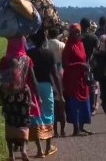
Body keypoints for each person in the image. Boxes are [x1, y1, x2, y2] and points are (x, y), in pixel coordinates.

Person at [0, 37, 39, 161]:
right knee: (24, 122)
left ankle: (11, 155)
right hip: (23, 97)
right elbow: (33, 81)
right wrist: (38, 98)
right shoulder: (27, 59)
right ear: (22, 44)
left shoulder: (5, 60)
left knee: (9, 123)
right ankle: (23, 150)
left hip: (8, 97)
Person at [27, 29, 64, 158]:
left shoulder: (28, 53)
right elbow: (55, 74)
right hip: (47, 86)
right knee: (48, 114)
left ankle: (39, 150)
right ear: (44, 40)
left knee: (35, 116)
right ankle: (48, 147)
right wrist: (61, 93)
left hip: (32, 87)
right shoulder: (49, 53)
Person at [62, 23, 93, 136]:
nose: (77, 34)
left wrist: (86, 66)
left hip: (82, 78)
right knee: (75, 103)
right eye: (75, 32)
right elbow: (66, 65)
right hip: (72, 79)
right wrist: (79, 65)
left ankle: (82, 126)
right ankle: (76, 129)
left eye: (78, 32)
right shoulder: (68, 47)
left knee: (84, 102)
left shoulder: (81, 44)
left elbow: (85, 58)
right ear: (70, 33)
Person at [47, 29, 67, 138]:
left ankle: (55, 132)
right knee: (62, 105)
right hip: (61, 70)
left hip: (50, 72)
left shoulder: (46, 44)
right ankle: (63, 131)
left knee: (53, 106)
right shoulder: (62, 45)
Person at [80, 18, 99, 115]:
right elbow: (97, 51)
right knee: (92, 85)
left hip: (79, 63)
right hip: (91, 63)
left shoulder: (78, 37)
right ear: (89, 26)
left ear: (81, 25)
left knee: (80, 85)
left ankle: (81, 106)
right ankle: (92, 106)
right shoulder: (93, 37)